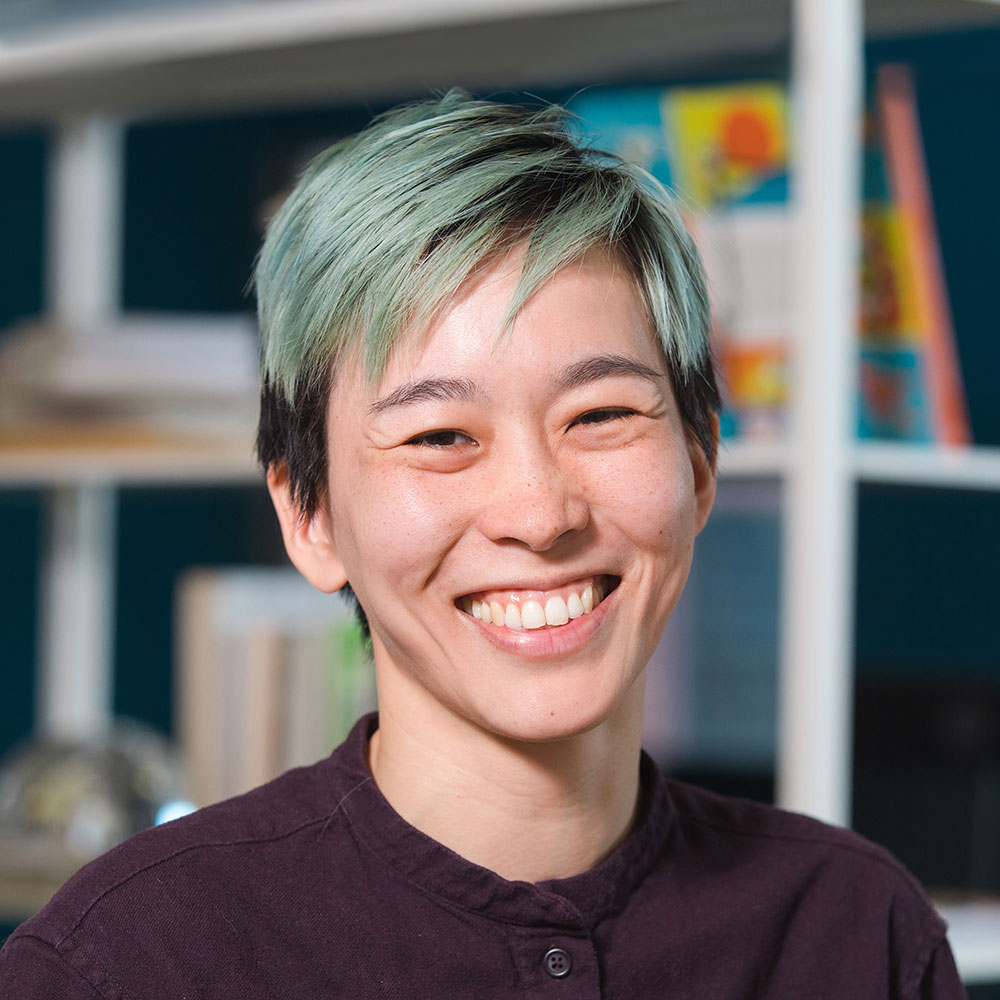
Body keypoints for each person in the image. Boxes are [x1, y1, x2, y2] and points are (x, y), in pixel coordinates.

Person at [0, 91, 965, 999]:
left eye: (600, 414)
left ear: (701, 463)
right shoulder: (129, 961)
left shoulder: (855, 932)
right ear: (310, 517)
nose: (540, 513)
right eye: (439, 437)